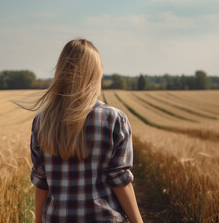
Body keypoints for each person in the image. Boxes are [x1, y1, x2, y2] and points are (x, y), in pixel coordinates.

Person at [25, 39, 143, 222]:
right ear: (95, 74)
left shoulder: (42, 121)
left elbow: (42, 182)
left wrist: (38, 220)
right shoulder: (114, 119)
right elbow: (120, 181)